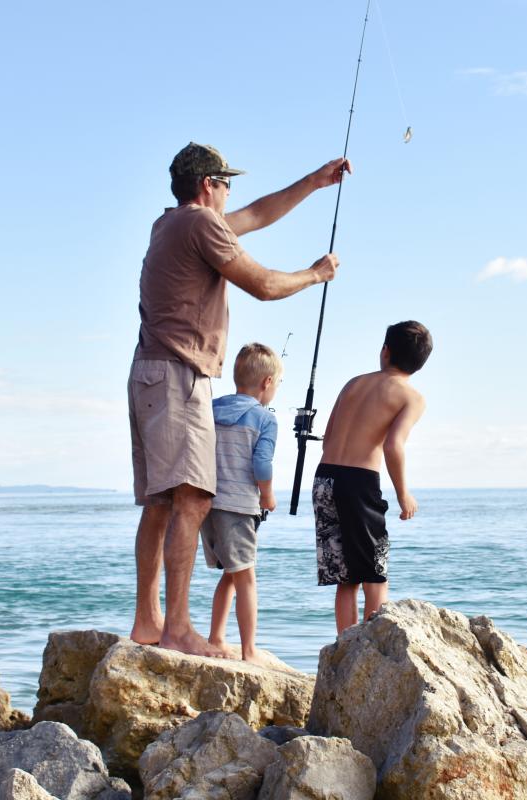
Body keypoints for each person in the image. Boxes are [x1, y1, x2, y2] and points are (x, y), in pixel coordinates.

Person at [129, 142, 351, 657]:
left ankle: (149, 621)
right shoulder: (201, 225)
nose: (232, 194)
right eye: (226, 183)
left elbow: (255, 215)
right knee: (191, 496)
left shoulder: (170, 224)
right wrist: (315, 274)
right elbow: (264, 285)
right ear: (208, 184)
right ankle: (179, 628)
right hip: (180, 374)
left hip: (149, 372)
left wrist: (315, 181)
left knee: (162, 501)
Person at [312, 321, 432, 633]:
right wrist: (403, 493)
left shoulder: (353, 383)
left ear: (385, 351)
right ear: (421, 363)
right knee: (375, 573)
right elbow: (394, 445)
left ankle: (344, 648)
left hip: (324, 479)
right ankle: (370, 650)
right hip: (359, 482)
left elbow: (327, 439)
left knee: (346, 576)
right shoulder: (411, 397)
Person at [200, 343, 282, 663]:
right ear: (267, 382)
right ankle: (249, 651)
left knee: (231, 574)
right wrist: (267, 494)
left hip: (207, 502)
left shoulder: (211, 408)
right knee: (246, 576)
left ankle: (217, 637)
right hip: (238, 506)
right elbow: (262, 464)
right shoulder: (264, 419)